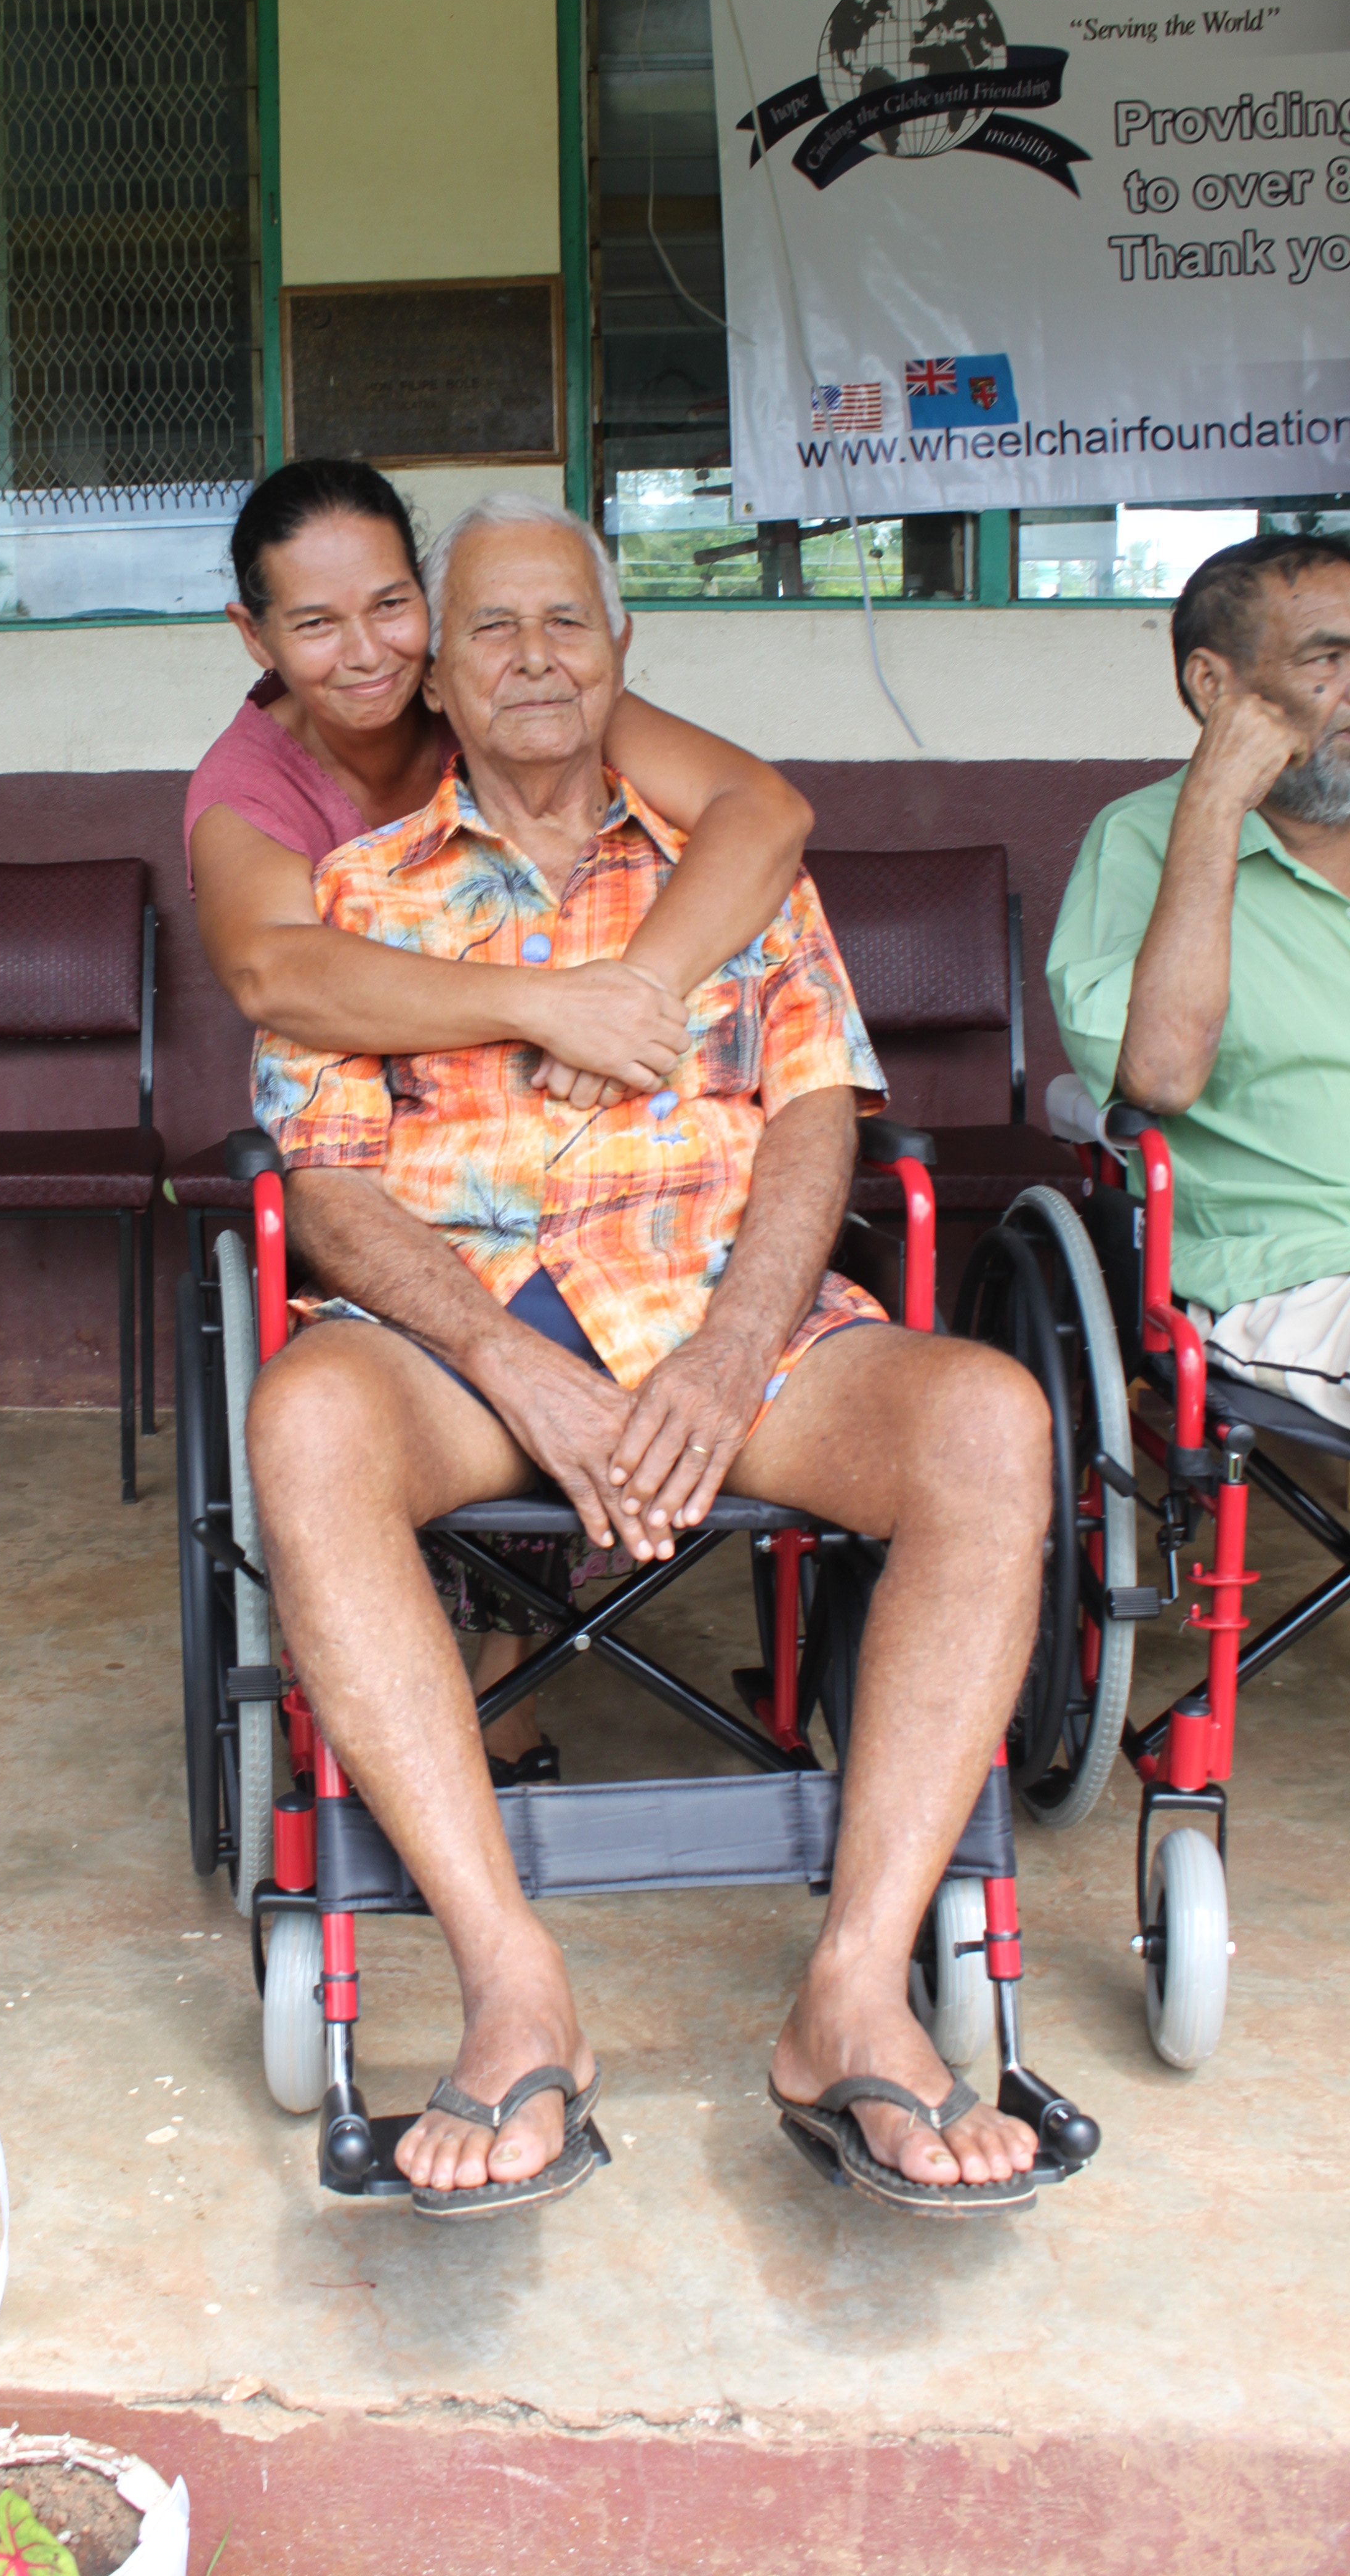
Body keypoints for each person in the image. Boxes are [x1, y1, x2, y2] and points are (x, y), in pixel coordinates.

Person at [244, 494, 1051, 2218]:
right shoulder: (356, 895)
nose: (535, 656)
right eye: (492, 632)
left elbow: (820, 1115)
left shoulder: (739, 876)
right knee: (307, 1418)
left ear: (624, 658)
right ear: (438, 682)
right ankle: (506, 1976)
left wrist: (732, 1348)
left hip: (723, 1320)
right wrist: (507, 1360)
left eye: (570, 625)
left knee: (988, 1421)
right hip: (469, 1344)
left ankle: (854, 1993)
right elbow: (318, 1184)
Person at [188, 458, 814, 1772]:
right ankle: (435, 1699)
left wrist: (635, 988)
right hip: (408, 1129)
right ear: (254, 639)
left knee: (606, 1258)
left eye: (392, 606)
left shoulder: (523, 677)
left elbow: (764, 814)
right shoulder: (252, 785)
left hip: (609, 1165)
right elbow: (275, 973)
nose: (364, 654)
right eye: (312, 625)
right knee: (435, 1319)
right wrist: (541, 1006)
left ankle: (511, 1664)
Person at [1048, 532, 1350, 1425]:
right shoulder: (1140, 843)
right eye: (1328, 660)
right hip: (1292, 1273)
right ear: (1213, 687)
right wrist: (1217, 801)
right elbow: (1162, 1078)